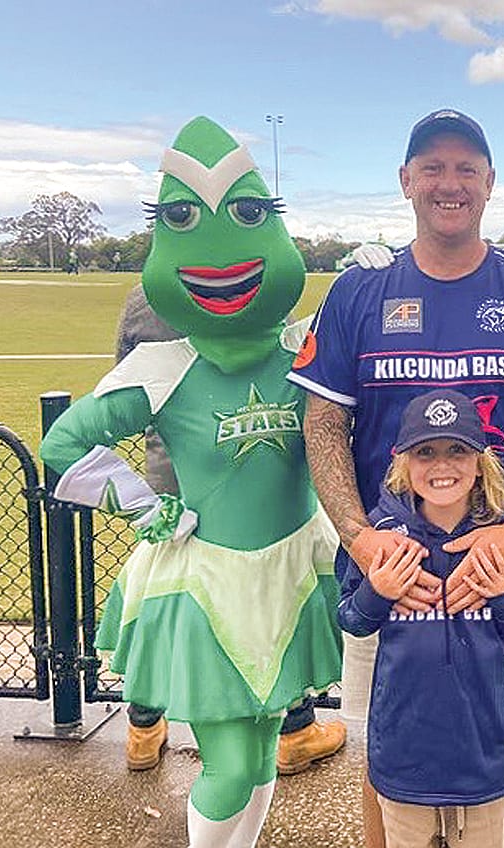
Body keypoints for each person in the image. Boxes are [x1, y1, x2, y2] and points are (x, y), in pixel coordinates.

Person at [289, 108, 504, 848]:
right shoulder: (359, 296)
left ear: (490, 183)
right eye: (432, 167)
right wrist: (361, 542)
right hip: (385, 575)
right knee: (378, 745)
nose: (448, 183)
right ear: (405, 181)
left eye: (465, 168)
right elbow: (323, 426)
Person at [41, 116, 345, 847]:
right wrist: (142, 504)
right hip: (207, 586)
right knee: (232, 764)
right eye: (181, 221)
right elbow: (64, 442)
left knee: (268, 739)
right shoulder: (163, 367)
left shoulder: (301, 348)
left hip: (295, 572)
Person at [113, 283, 346, 776]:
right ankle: (295, 728)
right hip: (249, 460)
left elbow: (125, 381)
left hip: (173, 470)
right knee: (267, 598)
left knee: (171, 600)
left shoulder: (145, 297)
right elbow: (277, 350)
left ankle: (142, 726)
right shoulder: (247, 283)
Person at [338, 388, 504, 848]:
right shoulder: (380, 535)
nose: (442, 466)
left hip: (482, 756)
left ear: (480, 460)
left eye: (457, 450)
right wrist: (378, 593)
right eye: (426, 452)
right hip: (404, 753)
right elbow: (353, 620)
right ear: (403, 461)